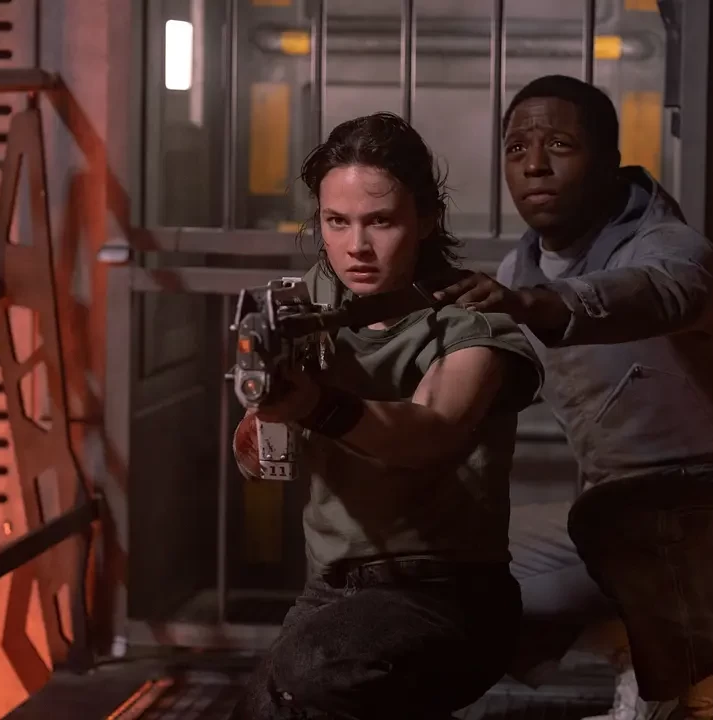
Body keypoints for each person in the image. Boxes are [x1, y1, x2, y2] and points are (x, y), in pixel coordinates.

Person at [435, 75, 713, 720]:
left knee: (620, 517)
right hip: (609, 520)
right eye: (517, 149)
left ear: (608, 160)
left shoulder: (672, 247)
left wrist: (538, 305)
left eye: (559, 144)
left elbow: (660, 291)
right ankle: (625, 648)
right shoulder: (521, 270)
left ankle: (684, 702)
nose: (535, 165)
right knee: (433, 547)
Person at [230, 112, 544, 720]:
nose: (357, 246)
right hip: (330, 590)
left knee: (310, 672)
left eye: (381, 221)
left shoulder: (469, 320)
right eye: (336, 222)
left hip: (445, 596)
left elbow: (433, 432)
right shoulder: (313, 301)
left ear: (426, 220)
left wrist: (316, 405)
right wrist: (263, 420)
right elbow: (256, 457)